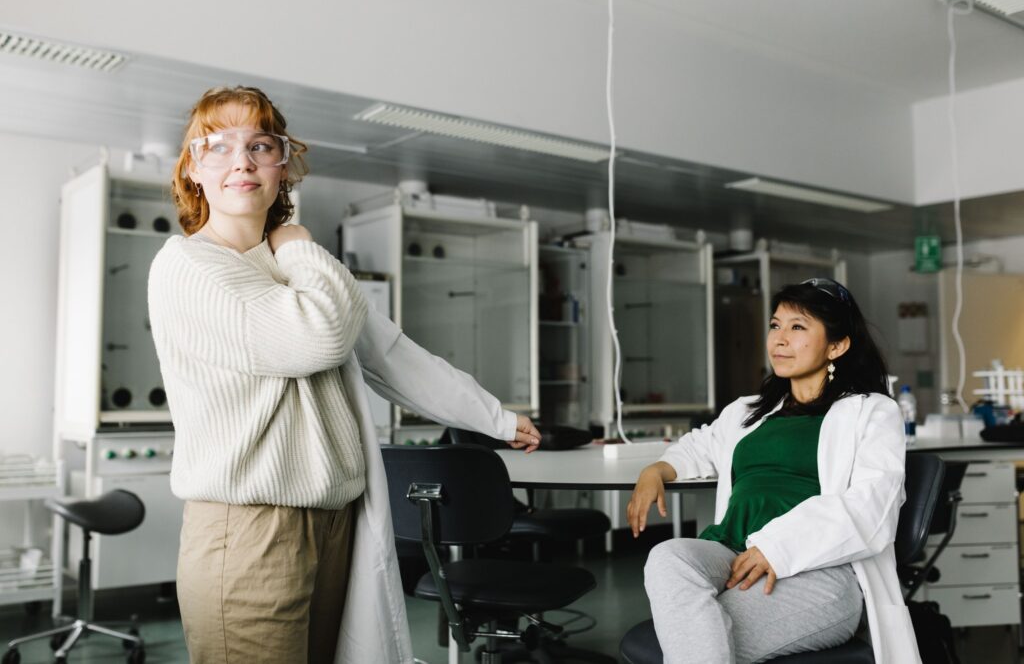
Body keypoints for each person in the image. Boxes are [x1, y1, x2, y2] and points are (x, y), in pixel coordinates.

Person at [148, 85, 542, 664]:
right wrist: (302, 242)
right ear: (193, 169)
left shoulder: (298, 271)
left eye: (260, 145)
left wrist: (496, 419)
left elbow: (393, 355)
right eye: (219, 146)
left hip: (334, 524)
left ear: (284, 165)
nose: (242, 160)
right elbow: (318, 337)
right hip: (250, 532)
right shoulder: (189, 264)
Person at [627, 278, 920, 664]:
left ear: (837, 345)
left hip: (819, 572)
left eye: (798, 327)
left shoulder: (871, 412)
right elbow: (698, 446)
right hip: (731, 554)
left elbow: (872, 507)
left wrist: (777, 546)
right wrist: (657, 470)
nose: (779, 339)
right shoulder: (748, 411)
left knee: (701, 634)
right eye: (775, 325)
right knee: (669, 557)